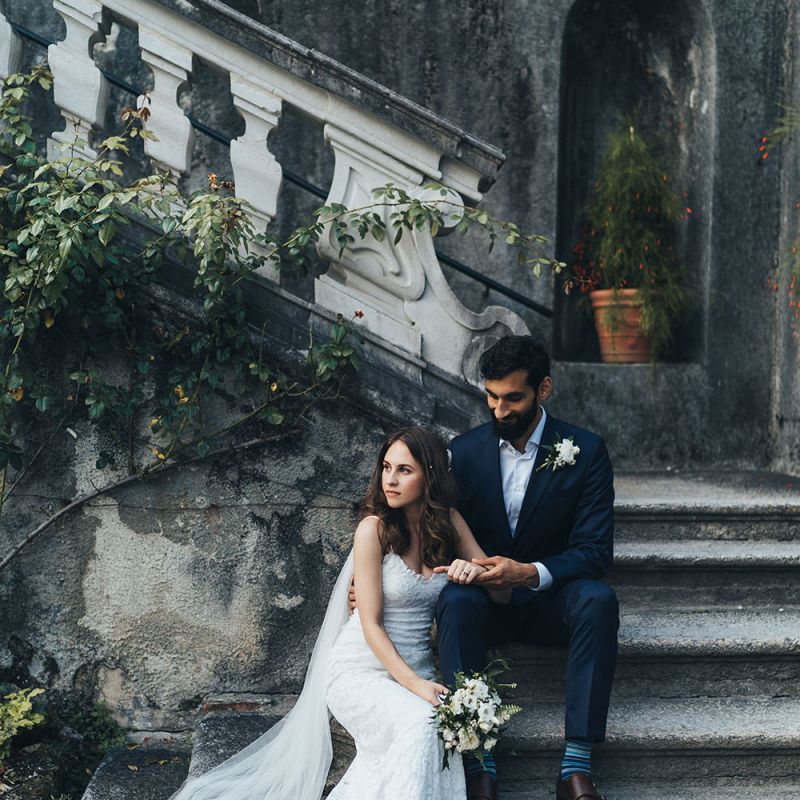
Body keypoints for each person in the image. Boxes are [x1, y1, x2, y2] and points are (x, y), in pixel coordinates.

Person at [168, 426, 508, 800]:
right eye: (386, 467)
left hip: (417, 670)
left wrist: (476, 572)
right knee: (423, 721)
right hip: (361, 670)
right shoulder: (373, 529)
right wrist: (415, 685)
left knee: (430, 727)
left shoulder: (450, 524)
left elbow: (503, 594)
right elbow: (371, 624)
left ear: (430, 475)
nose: (390, 480)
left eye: (404, 470)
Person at [437, 335, 618, 800]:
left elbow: (595, 551)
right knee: (454, 602)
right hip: (485, 605)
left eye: (512, 397)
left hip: (549, 602)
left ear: (544, 389)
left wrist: (531, 572)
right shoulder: (463, 452)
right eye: (491, 396)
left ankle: (576, 766)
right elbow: (431, 529)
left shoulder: (587, 450)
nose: (499, 409)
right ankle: (479, 765)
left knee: (598, 599)